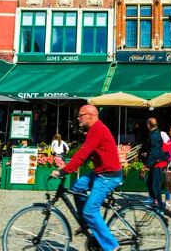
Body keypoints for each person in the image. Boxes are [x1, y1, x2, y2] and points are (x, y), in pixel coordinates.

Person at [52, 105, 122, 251]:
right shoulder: (94, 130)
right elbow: (83, 154)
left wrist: (64, 171)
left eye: (80, 115)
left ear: (90, 115)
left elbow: (83, 154)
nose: (78, 118)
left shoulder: (97, 130)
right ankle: (87, 224)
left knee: (90, 210)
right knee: (77, 188)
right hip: (100, 172)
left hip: (108, 175)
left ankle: (112, 246)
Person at [143, 118, 167, 210]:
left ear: (149, 125)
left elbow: (155, 151)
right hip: (155, 162)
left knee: (156, 186)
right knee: (149, 182)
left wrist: (147, 166)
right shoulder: (155, 133)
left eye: (147, 124)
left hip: (156, 163)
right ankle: (154, 201)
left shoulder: (154, 135)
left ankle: (160, 207)